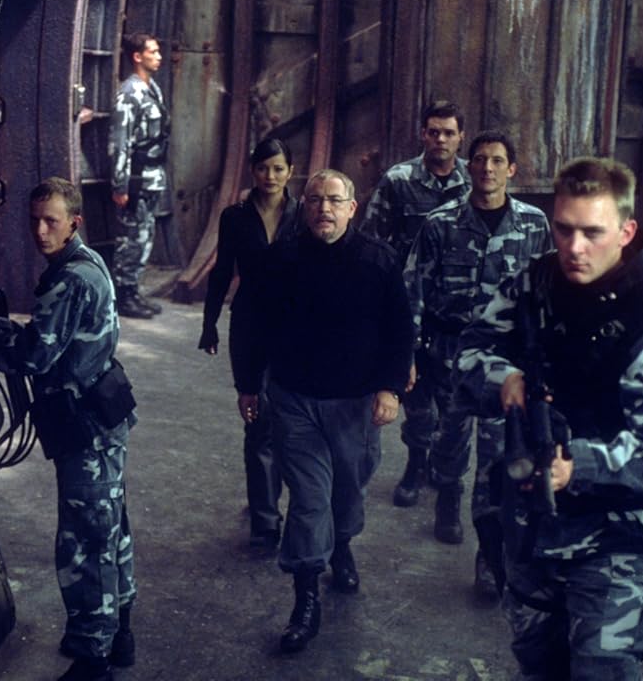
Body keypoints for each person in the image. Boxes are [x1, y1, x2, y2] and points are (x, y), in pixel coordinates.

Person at [453, 157, 643, 680]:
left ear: (626, 232)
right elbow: (466, 354)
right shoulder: (532, 287)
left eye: (593, 233)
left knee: (599, 669)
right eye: (564, 229)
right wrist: (504, 379)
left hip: (616, 539)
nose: (574, 247)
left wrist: (577, 467)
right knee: (539, 666)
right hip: (531, 529)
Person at [0, 177, 136, 681]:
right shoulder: (86, 262)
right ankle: (118, 633)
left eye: (51, 221)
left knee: (85, 542)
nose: (40, 231)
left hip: (85, 428)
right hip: (102, 417)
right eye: (34, 220)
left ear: (74, 222)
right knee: (110, 528)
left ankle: (93, 658)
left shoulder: (69, 279)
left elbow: (33, 357)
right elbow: (49, 336)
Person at [237, 169, 413, 653]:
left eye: (334, 201)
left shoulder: (378, 260)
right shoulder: (281, 260)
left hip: (356, 404)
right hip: (295, 400)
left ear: (352, 208)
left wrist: (390, 388)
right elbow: (251, 324)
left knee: (348, 490)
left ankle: (343, 544)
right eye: (315, 200)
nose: (324, 209)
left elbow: (400, 329)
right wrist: (248, 384)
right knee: (310, 499)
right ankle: (306, 596)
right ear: (304, 207)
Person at [403, 130, 552, 598]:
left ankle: (489, 557)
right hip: (449, 356)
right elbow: (413, 290)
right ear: (469, 167)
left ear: (513, 169)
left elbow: (547, 293)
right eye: (481, 160)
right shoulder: (440, 224)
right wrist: (407, 356)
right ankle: (447, 493)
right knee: (447, 445)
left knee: (496, 461)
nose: (487, 168)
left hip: (504, 364)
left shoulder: (534, 225)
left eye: (497, 160)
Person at [359, 100, 472, 508]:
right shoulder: (399, 180)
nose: (440, 139)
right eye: (433, 132)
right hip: (409, 301)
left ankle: (447, 475)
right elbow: (372, 240)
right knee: (417, 396)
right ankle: (416, 464)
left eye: (448, 133)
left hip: (456, 306)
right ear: (423, 134)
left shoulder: (474, 180)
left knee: (455, 401)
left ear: (460, 137)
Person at [198, 137, 303, 550]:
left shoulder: (303, 214)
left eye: (278, 169)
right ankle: (265, 519)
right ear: (252, 171)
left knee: (294, 421)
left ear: (290, 172)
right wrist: (209, 324)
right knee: (257, 418)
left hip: (297, 327)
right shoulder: (235, 217)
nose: (270, 176)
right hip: (251, 324)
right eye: (263, 168)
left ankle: (291, 505)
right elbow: (222, 271)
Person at [108, 31, 171, 319]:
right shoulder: (129, 93)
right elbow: (120, 142)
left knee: (144, 236)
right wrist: (120, 185)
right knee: (131, 238)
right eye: (152, 52)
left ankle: (132, 291)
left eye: (158, 51)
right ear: (137, 56)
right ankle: (123, 296)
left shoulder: (152, 89)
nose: (158, 56)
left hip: (152, 177)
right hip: (135, 179)